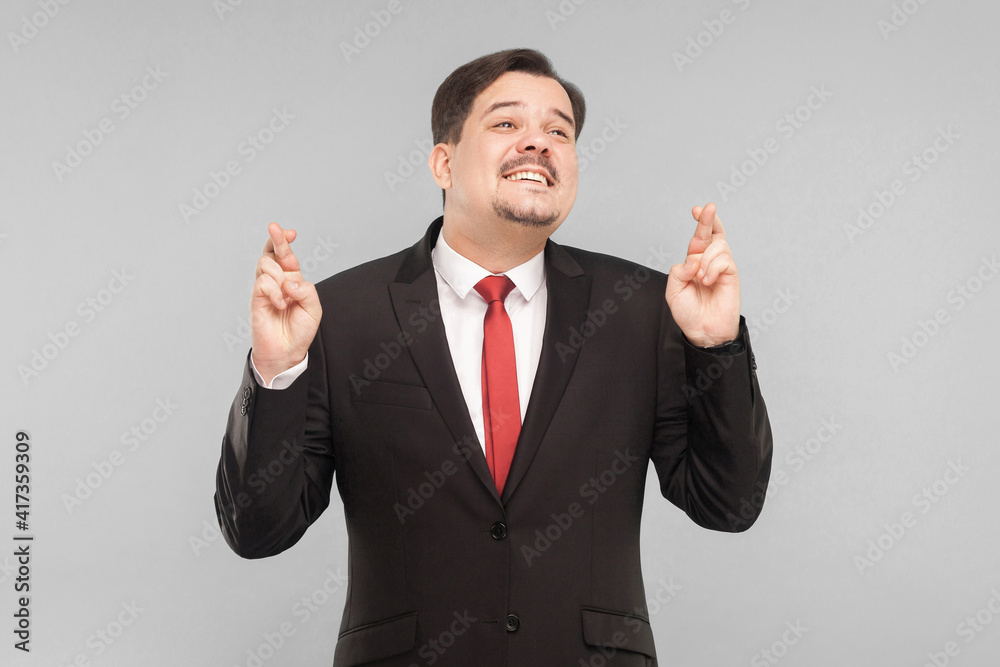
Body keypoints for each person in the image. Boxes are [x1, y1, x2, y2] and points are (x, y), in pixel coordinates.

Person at [215, 48, 772, 667]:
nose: (538, 143)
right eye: (507, 124)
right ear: (444, 162)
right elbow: (257, 531)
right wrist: (277, 372)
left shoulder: (642, 309)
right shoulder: (340, 314)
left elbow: (730, 506)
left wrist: (715, 348)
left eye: (558, 131)